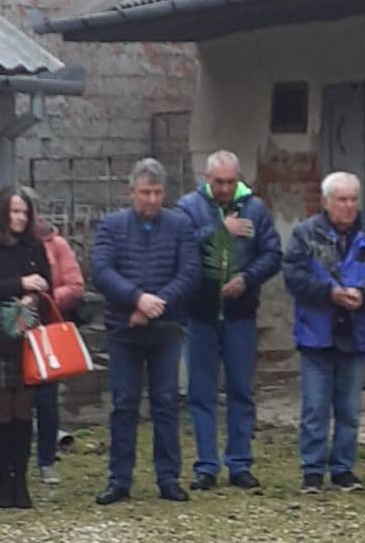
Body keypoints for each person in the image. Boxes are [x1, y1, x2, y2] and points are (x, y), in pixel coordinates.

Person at [90, 158, 200, 505]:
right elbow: (102, 271)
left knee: (165, 403)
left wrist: (157, 304)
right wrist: (136, 299)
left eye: (157, 192)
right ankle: (119, 479)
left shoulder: (180, 225)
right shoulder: (111, 226)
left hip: (166, 329)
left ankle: (168, 478)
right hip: (124, 329)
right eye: (145, 192)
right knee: (124, 404)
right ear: (131, 192)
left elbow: (190, 272)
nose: (151, 199)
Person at [282, 171, 365, 493]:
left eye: (353, 199)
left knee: (349, 409)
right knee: (315, 407)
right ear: (326, 202)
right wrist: (329, 293)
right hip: (316, 333)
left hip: (355, 332)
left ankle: (343, 469)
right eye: (341, 199)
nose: (348, 206)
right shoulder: (306, 234)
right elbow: (293, 276)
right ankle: (312, 470)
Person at [178, 150, 282, 491]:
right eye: (219, 182)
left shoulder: (255, 208)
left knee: (241, 391)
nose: (224, 188)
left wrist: (247, 279)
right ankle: (206, 465)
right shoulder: (188, 208)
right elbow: (181, 249)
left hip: (240, 313)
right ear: (207, 179)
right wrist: (219, 231)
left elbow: (272, 254)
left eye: (230, 182)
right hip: (200, 313)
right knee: (201, 392)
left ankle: (239, 463)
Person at [0, 186, 53, 510]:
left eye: (25, 212)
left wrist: (35, 296)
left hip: (28, 337)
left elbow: (47, 285)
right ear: (2, 212)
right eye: (15, 211)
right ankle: (5, 479)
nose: (20, 218)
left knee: (23, 410)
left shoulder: (34, 247)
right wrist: (20, 284)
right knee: (1, 410)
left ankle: (22, 480)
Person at [31, 215, 85, 484]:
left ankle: (46, 460)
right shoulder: (3, 243)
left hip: (47, 330)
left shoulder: (57, 244)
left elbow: (76, 285)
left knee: (47, 398)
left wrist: (48, 297)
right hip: (14, 326)